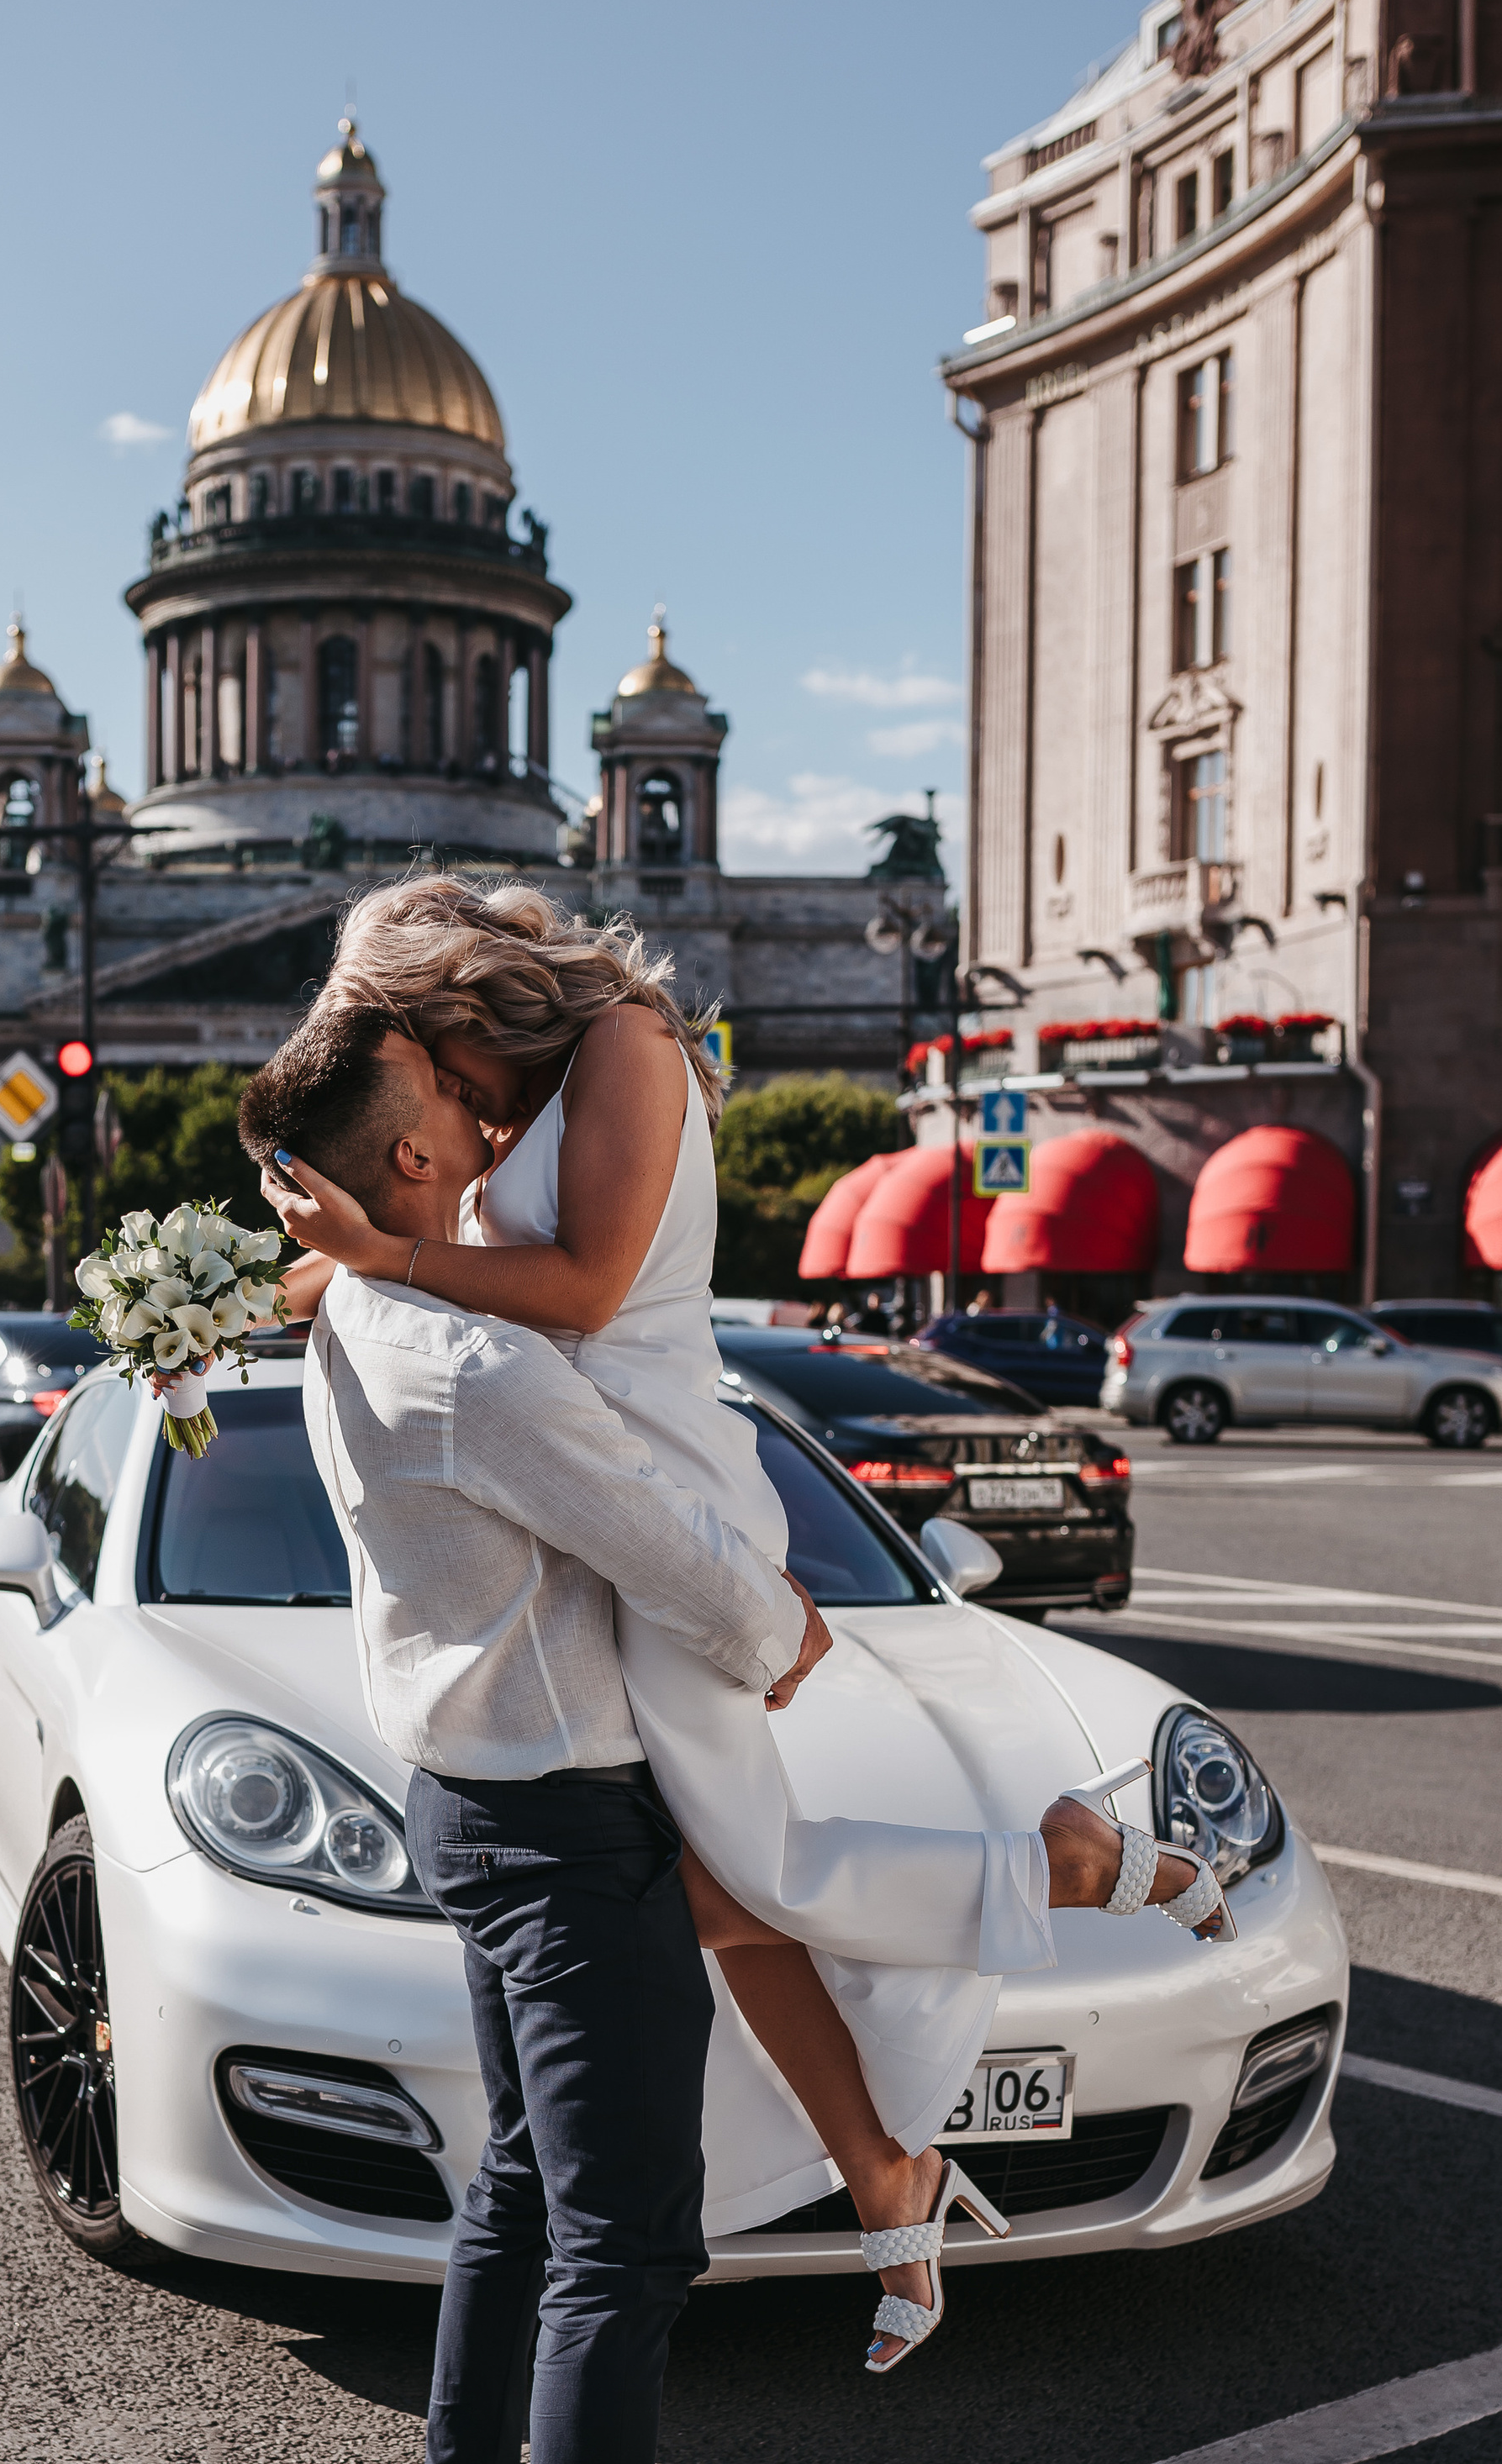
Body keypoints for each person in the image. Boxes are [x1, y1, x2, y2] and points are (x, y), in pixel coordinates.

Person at [259, 877, 1223, 2374]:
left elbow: (575, 1291)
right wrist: (214, 1296)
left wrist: (387, 1260)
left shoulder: (630, 1045)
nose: (440, 1093)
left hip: (667, 1505)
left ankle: (1070, 1865)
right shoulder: (515, 1108)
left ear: (466, 991)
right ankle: (888, 2177)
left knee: (743, 1872)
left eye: (427, 1051)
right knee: (716, 1884)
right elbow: (436, 1259)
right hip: (608, 1503)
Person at [238, 1007, 835, 2464]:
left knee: (519, 2183)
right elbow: (678, 1562)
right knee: (627, 2252)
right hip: (566, 1829)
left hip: (466, 1802)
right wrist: (787, 1636)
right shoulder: (469, 1364)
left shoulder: (358, 1309)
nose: (497, 1110)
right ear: (411, 1161)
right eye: (461, 1100)